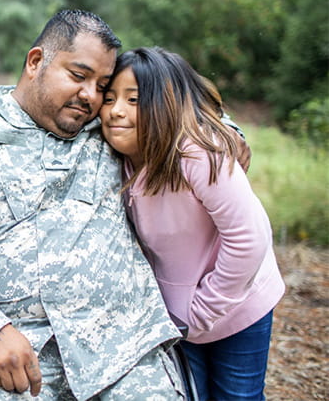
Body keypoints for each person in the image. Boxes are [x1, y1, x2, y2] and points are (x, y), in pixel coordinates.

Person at [0, 10, 186, 400]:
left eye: (102, 85)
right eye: (78, 76)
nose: (91, 96)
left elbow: (175, 112)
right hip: (1, 351)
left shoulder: (111, 127)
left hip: (122, 354)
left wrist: (226, 129)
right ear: (35, 61)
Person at [99, 46, 285, 401]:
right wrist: (185, 318)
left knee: (237, 395)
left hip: (238, 302)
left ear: (164, 105)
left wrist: (203, 311)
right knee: (190, 394)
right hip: (179, 316)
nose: (116, 111)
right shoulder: (115, 158)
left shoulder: (198, 154)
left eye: (134, 99)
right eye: (109, 99)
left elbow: (250, 238)